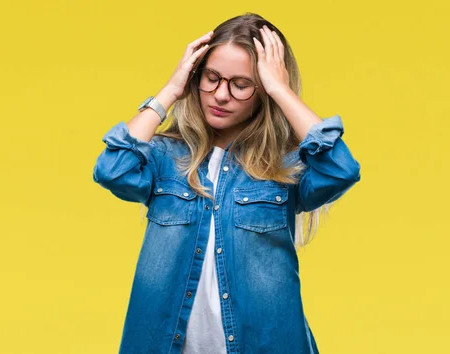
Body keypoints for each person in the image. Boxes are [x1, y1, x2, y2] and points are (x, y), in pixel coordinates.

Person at [92, 12, 361, 354]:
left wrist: (280, 89)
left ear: (262, 90)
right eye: (212, 78)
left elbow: (341, 169)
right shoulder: (165, 157)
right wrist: (170, 90)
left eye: (241, 84)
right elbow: (112, 169)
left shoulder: (284, 165)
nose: (220, 95)